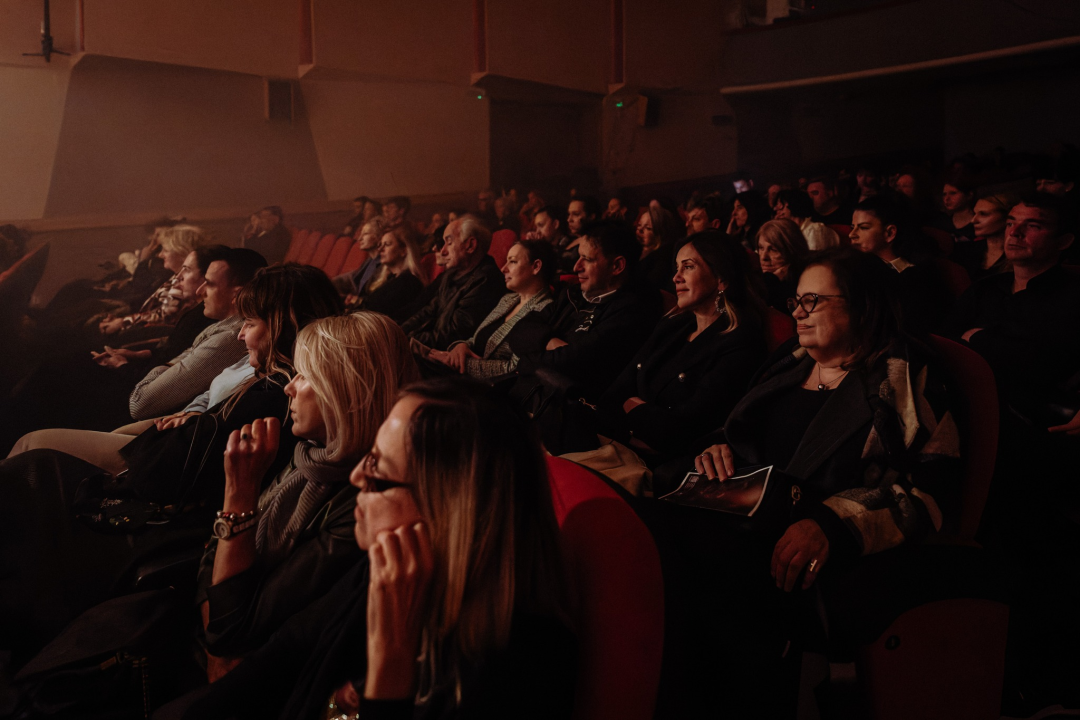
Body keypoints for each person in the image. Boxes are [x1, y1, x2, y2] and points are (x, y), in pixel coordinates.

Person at [155, 378, 576, 720]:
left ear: (449, 511)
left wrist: (390, 662)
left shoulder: (523, 665)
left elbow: (237, 632)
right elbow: (286, 651)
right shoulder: (380, 567)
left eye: (378, 473)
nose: (357, 477)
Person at [657, 250, 959, 714]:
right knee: (653, 535)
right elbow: (743, 429)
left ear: (861, 306)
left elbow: (931, 495)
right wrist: (720, 446)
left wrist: (831, 525)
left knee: (679, 575)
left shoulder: (904, 376)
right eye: (796, 300)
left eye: (812, 300)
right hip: (741, 514)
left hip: (801, 541)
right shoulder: (792, 360)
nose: (796, 312)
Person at [0, 265, 344, 665]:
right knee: (35, 463)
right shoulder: (272, 380)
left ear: (282, 324)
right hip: (169, 487)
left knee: (35, 467)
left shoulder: (274, 394)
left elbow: (175, 469)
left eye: (249, 323)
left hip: (175, 515)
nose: (239, 334)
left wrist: (183, 430)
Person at [197, 313, 419, 672]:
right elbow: (210, 555)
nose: (288, 387)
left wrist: (240, 494)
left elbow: (236, 631)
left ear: (346, 392)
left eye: (305, 376)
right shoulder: (311, 455)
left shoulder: (361, 503)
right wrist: (214, 638)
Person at [596, 232, 767, 464]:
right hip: (621, 450)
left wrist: (631, 406)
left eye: (688, 267)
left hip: (663, 469)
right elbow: (612, 397)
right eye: (677, 267)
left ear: (721, 278)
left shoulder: (739, 340)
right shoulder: (673, 325)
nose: (676, 277)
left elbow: (678, 434)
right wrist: (636, 419)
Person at [513, 220, 663, 401]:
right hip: (537, 393)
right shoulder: (573, 294)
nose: (577, 267)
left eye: (587, 259)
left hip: (574, 410)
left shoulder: (633, 310)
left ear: (616, 266)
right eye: (578, 257)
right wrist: (550, 341)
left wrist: (526, 361)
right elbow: (520, 329)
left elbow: (577, 362)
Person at [428, 240, 557, 379]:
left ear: (536, 266)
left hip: (491, 389)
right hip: (464, 377)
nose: (503, 268)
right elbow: (477, 338)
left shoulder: (543, 310)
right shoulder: (508, 299)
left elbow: (515, 367)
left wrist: (461, 364)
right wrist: (461, 346)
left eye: (512, 262)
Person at [848, 195, 952, 334]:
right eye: (853, 227)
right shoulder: (852, 266)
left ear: (890, 233)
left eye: (863, 227)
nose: (851, 234)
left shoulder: (918, 276)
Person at [400, 216, 505, 350]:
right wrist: (399, 331)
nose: (442, 251)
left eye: (449, 243)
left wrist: (406, 340)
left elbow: (452, 336)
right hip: (433, 348)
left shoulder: (486, 281)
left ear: (470, 245)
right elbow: (428, 311)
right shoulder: (451, 274)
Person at [348, 226, 428, 323]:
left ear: (404, 250)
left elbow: (378, 313)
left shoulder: (409, 282)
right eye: (381, 244)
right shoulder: (391, 279)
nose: (380, 249)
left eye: (387, 244)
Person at [951, 192, 1015, 282]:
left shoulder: (1018, 254)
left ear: (1006, 218)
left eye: (983, 214)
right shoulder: (964, 251)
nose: (973, 220)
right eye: (975, 213)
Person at [756, 219, 810, 314]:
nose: (763, 257)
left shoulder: (802, 287)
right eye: (761, 248)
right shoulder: (755, 277)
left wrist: (771, 279)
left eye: (773, 249)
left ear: (791, 251)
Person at [333, 217, 386, 299]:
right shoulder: (369, 261)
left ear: (379, 237)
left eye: (365, 234)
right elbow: (353, 276)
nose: (359, 238)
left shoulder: (384, 264)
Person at [773, 189, 840, 251]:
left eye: (781, 205)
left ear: (793, 204)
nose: (775, 209)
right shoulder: (792, 232)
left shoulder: (815, 230)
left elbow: (814, 259)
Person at [635, 206, 680, 292]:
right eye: (639, 225)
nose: (640, 230)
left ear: (660, 233)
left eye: (648, 228)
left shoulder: (662, 260)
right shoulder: (633, 250)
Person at [525, 205, 575, 273]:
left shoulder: (572, 248)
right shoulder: (547, 247)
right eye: (536, 227)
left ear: (555, 224)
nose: (537, 231)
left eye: (541, 225)